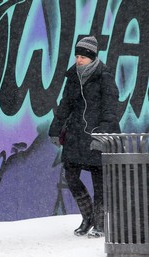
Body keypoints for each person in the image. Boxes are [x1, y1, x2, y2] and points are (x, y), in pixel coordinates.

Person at [49, 36, 120, 238]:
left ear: (92, 58)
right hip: (75, 134)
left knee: (99, 181)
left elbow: (111, 109)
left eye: (83, 57)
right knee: (71, 175)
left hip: (97, 135)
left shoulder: (104, 76)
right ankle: (87, 216)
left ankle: (99, 223)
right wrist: (55, 129)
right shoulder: (73, 77)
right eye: (77, 56)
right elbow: (65, 105)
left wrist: (103, 134)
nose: (79, 60)